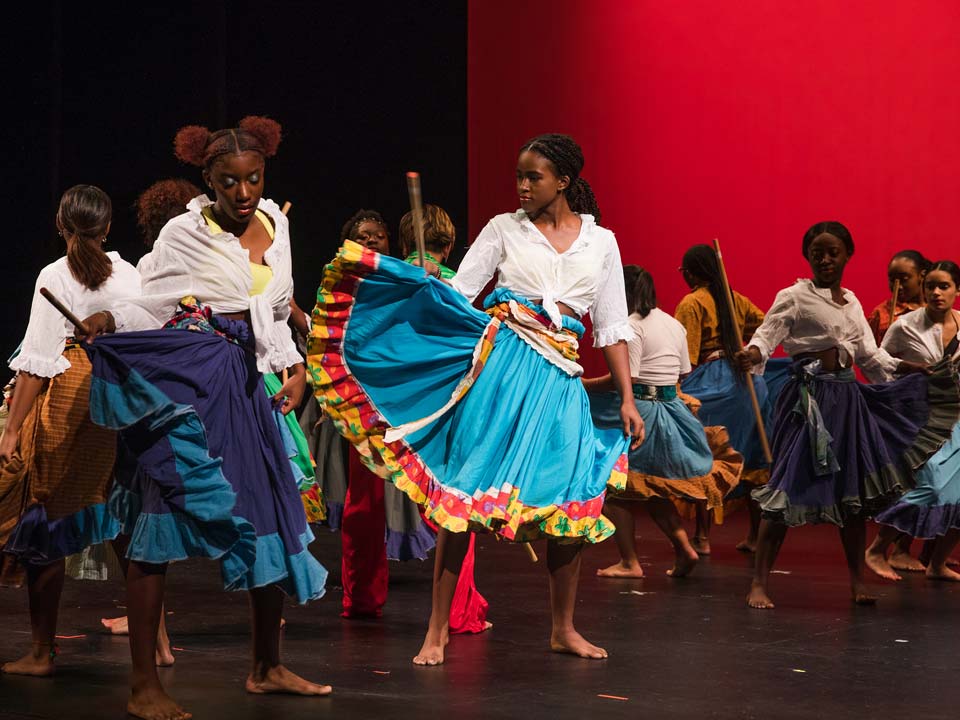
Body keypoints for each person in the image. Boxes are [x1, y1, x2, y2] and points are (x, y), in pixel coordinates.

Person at [309, 133, 643, 665]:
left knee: (571, 503)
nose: (523, 186)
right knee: (462, 500)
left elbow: (612, 325)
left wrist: (627, 398)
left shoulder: (601, 243)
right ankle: (437, 631)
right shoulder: (503, 230)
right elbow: (458, 293)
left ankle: (563, 628)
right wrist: (421, 283)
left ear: (565, 181)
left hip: (560, 384)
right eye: (519, 176)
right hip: (502, 372)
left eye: (534, 177)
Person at [78, 117, 330, 720]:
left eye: (252, 180)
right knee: (162, 514)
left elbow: (271, 310)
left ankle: (266, 667)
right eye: (228, 183)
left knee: (270, 509)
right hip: (195, 374)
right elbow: (149, 300)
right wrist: (110, 322)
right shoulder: (181, 233)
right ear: (207, 180)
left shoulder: (279, 223)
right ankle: (144, 684)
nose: (242, 194)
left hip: (249, 382)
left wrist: (294, 368)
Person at [734, 221, 957, 609]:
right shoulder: (794, 296)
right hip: (808, 402)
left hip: (846, 402)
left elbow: (871, 357)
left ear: (847, 255)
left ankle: (856, 581)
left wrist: (909, 370)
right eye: (817, 251)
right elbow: (765, 339)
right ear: (807, 255)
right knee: (786, 487)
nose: (825, 259)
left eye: (833, 252)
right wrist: (751, 355)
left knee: (852, 495)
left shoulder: (851, 302)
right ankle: (758, 582)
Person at [0, 185, 140, 675]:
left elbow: (36, 362)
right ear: (107, 228)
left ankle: (42, 651)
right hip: (123, 402)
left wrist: (13, 429)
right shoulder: (131, 274)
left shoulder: (54, 275)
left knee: (45, 517)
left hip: (69, 403)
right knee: (126, 517)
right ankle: (157, 642)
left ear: (61, 226)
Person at [584, 266, 742, 578]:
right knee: (651, 488)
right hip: (672, 409)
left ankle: (630, 562)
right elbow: (683, 370)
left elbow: (625, 378)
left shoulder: (629, 326)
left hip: (643, 411)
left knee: (618, 489)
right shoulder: (672, 324)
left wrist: (583, 385)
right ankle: (684, 547)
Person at [866, 261, 960, 581]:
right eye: (930, 285)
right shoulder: (906, 325)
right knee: (929, 486)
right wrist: (905, 379)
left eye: (944, 286)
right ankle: (878, 548)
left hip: (957, 416)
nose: (935, 292)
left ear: (957, 291)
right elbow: (878, 362)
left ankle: (937, 563)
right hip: (922, 417)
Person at [675, 244, 769, 553]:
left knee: (707, 455)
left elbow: (685, 360)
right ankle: (756, 536)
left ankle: (702, 537)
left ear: (691, 273)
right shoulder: (736, 300)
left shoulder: (692, 302)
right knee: (751, 456)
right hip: (747, 385)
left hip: (713, 385)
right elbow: (766, 327)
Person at [864, 249, 933, 571]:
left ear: (922, 275)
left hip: (932, 405)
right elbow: (874, 360)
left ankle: (922, 551)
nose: (898, 284)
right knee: (906, 478)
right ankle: (895, 547)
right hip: (896, 406)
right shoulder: (881, 314)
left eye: (904, 277)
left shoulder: (932, 311)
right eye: (892, 278)